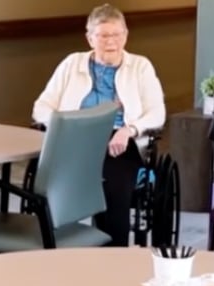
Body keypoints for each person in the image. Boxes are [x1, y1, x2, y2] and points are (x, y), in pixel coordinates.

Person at [32, 3, 166, 247]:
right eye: (103, 35)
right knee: (49, 187)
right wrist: (64, 126)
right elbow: (41, 108)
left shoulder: (140, 66)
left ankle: (113, 256)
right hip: (74, 138)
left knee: (113, 184)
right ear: (90, 38)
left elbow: (157, 113)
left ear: (125, 35)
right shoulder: (72, 64)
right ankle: (52, 251)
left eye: (116, 34)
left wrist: (130, 130)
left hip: (120, 141)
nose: (111, 41)